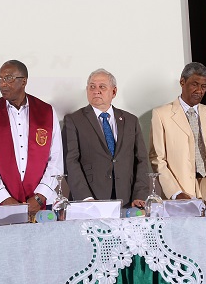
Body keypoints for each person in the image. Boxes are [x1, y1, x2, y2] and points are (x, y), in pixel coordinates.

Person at [0, 60, 62, 215]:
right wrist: (4, 197)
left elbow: (56, 159)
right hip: (1, 204)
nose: (2, 84)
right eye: (0, 79)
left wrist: (40, 196)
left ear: (24, 81)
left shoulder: (46, 112)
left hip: (44, 203)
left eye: (8, 78)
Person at [63, 68, 148, 207]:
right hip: (91, 200)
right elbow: (71, 162)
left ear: (114, 91)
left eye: (102, 87)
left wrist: (140, 195)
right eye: (92, 87)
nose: (96, 91)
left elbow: (141, 160)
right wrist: (86, 199)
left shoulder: (130, 120)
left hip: (128, 199)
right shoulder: (74, 120)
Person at [149, 62, 206, 206]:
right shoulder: (161, 115)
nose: (199, 90)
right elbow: (157, 158)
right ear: (182, 82)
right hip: (180, 191)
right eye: (194, 84)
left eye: (203, 86)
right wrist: (174, 192)